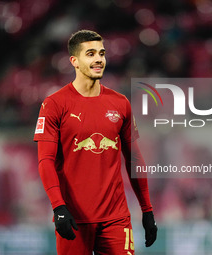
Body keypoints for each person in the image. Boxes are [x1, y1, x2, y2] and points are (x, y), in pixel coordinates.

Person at [34, 30, 157, 255]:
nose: (99, 59)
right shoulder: (54, 104)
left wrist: (146, 210)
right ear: (74, 61)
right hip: (74, 218)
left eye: (101, 53)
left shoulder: (120, 103)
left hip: (116, 218)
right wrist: (58, 207)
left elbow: (135, 159)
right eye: (90, 54)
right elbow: (45, 161)